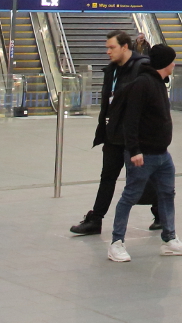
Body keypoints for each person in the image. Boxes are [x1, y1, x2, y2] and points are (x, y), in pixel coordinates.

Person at [72, 31, 167, 237]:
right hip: (113, 134)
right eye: (107, 48)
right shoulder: (112, 70)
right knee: (107, 176)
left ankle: (159, 212)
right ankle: (95, 219)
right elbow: (108, 102)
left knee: (143, 177)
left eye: (111, 47)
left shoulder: (142, 67)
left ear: (125, 47)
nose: (108, 52)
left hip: (135, 136)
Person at [104, 41, 182, 262]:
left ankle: (170, 238)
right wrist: (134, 150)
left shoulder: (159, 83)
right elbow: (131, 120)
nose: (174, 65)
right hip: (143, 154)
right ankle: (116, 242)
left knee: (167, 194)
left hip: (162, 154)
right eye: (172, 61)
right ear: (166, 63)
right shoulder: (143, 84)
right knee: (130, 196)